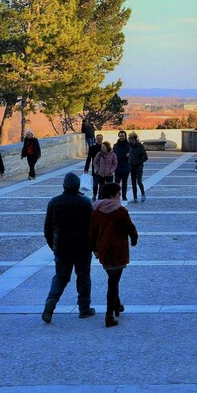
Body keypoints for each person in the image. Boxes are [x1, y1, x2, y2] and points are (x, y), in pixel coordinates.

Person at [41, 173, 95, 323]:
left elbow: (47, 228)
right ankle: (84, 308)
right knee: (83, 277)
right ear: (78, 186)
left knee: (60, 277)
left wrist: (53, 246)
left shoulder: (54, 202)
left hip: (62, 247)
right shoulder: (85, 202)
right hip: (82, 247)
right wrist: (93, 245)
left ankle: (51, 301)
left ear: (64, 186)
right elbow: (92, 227)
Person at [90, 181, 138, 327]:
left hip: (104, 249)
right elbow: (130, 228)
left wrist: (95, 249)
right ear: (112, 195)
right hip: (118, 250)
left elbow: (92, 232)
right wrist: (134, 239)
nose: (120, 196)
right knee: (113, 282)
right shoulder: (120, 211)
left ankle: (117, 305)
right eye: (118, 193)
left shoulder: (96, 210)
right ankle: (109, 315)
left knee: (113, 278)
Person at [128, 133, 148, 203]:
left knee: (139, 181)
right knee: (133, 183)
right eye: (130, 139)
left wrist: (139, 162)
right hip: (132, 166)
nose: (130, 141)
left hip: (139, 167)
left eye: (132, 139)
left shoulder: (140, 146)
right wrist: (129, 161)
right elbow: (130, 155)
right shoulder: (130, 147)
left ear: (135, 139)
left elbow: (145, 157)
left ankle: (143, 194)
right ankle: (135, 198)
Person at [83, 134, 104, 199]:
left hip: (103, 169)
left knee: (102, 184)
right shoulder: (92, 148)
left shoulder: (104, 148)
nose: (99, 140)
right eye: (98, 138)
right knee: (95, 184)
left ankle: (100, 196)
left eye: (100, 139)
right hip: (95, 169)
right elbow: (88, 159)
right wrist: (86, 169)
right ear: (96, 139)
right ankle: (94, 194)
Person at [113, 130, 131, 200]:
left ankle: (124, 195)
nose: (121, 137)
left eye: (123, 136)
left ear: (125, 136)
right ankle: (116, 196)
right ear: (118, 136)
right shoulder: (115, 145)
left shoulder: (129, 145)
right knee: (116, 183)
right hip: (117, 167)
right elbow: (113, 155)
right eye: (120, 136)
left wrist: (130, 155)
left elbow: (133, 154)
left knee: (124, 183)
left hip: (126, 166)